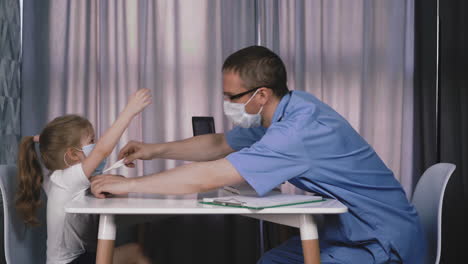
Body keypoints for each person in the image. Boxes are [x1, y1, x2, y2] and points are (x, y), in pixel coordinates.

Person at [91, 46, 426, 264]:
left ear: (261, 94)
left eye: (232, 97)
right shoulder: (290, 109)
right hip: (351, 233)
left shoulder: (295, 133)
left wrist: (129, 186)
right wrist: (155, 149)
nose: (228, 104)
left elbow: (212, 173)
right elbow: (220, 144)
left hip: (382, 244)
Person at [16, 89, 152, 264]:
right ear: (73, 154)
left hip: (80, 257)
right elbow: (103, 150)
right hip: (70, 262)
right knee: (134, 252)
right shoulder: (66, 179)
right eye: (91, 141)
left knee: (132, 250)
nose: (95, 146)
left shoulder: (60, 178)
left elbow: (118, 187)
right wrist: (130, 110)